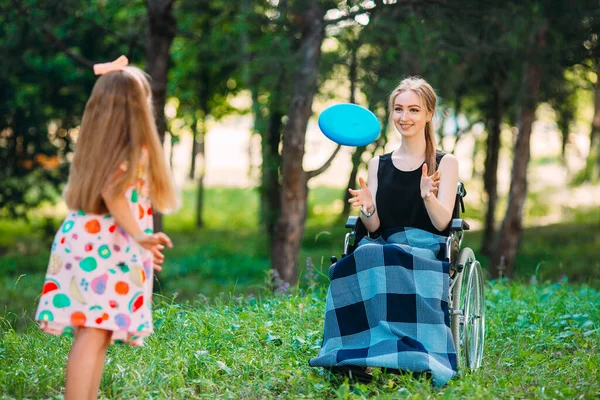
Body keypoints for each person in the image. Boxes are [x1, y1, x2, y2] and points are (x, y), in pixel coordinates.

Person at [35, 56, 179, 400]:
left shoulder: (102, 149)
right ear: (135, 107)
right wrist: (142, 237)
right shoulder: (130, 150)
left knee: (96, 333)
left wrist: (140, 245)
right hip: (102, 247)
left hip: (90, 242)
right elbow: (115, 195)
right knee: (92, 335)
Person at [309, 77, 459, 386]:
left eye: (414, 110)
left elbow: (444, 223)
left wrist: (427, 194)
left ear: (429, 114)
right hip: (386, 245)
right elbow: (374, 228)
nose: (405, 117)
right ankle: (352, 356)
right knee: (361, 255)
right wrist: (367, 209)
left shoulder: (446, 162)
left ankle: (407, 355)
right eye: (398, 109)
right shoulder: (379, 163)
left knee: (380, 256)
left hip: (426, 250)